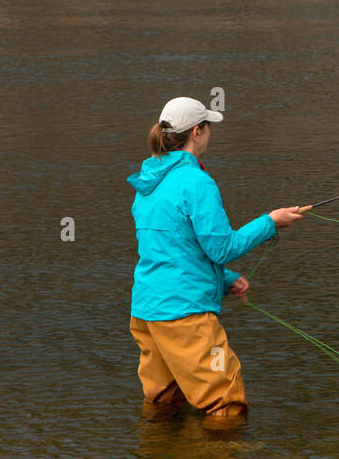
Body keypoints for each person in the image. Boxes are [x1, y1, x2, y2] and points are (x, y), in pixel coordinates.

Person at [127, 96, 307, 421]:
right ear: (197, 132)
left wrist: (224, 279)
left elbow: (169, 249)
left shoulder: (147, 183)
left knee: (163, 406)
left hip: (146, 316)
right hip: (184, 317)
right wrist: (271, 222)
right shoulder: (196, 181)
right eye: (207, 128)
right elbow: (223, 248)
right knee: (226, 405)